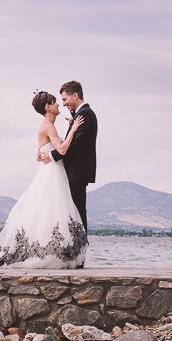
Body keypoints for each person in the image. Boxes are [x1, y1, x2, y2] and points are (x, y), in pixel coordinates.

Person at [0, 90, 88, 269]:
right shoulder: (48, 126)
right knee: (53, 210)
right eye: (55, 102)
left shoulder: (45, 125)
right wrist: (74, 130)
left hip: (49, 171)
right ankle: (51, 253)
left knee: (47, 211)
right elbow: (62, 150)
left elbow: (38, 157)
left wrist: (66, 130)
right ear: (48, 107)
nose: (58, 105)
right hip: (53, 173)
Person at [40, 80, 98, 234]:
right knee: (71, 213)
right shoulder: (80, 114)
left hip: (77, 173)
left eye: (65, 99)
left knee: (77, 213)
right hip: (72, 172)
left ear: (75, 95)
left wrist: (51, 156)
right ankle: (73, 250)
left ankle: (80, 251)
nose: (63, 103)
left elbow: (74, 145)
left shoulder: (85, 114)